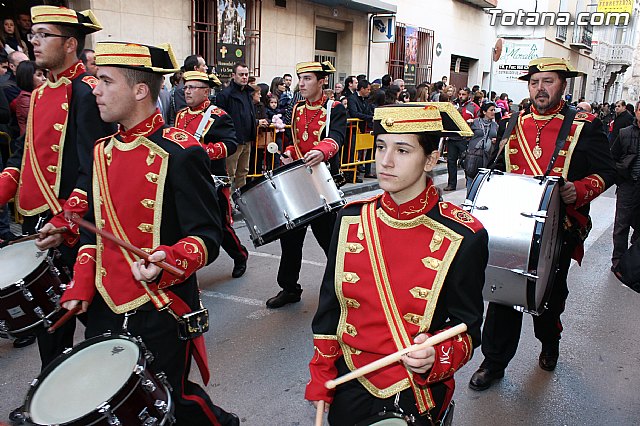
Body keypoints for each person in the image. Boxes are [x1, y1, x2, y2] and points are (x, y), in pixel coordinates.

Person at [60, 41, 239, 426]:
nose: (95, 88)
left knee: (170, 398)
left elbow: (207, 234)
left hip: (161, 305)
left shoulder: (180, 152)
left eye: (106, 81)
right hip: (107, 304)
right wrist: (80, 285)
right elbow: (95, 231)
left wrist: (170, 259)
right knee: (114, 401)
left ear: (140, 91)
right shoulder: (100, 151)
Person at [305, 102, 487, 424]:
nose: (385, 162)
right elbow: (330, 308)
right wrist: (321, 377)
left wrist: (435, 356)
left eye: (402, 151)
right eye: (381, 147)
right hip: (350, 378)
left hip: (416, 388)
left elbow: (467, 328)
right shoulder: (350, 218)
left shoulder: (463, 235)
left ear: (431, 159)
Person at [468, 57, 616, 391]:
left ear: (563, 84)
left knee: (548, 298)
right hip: (514, 227)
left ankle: (549, 342)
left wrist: (576, 190)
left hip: (560, 228)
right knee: (504, 295)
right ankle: (493, 362)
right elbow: (497, 170)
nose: (540, 89)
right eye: (534, 83)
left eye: (547, 81)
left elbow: (609, 172)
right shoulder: (514, 122)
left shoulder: (584, 125)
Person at [0, 6, 115, 423]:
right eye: (34, 34)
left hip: (73, 225)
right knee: (51, 323)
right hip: (38, 221)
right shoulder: (40, 92)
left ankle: (101, 397)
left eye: (43, 34)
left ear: (69, 44)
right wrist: (4, 188)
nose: (33, 40)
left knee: (88, 318)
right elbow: (24, 154)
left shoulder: (85, 91)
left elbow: (92, 166)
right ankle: (51, 396)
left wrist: (68, 216)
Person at [266, 60, 346, 309]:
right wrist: (289, 152)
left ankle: (342, 288)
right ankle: (289, 288)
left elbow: (337, 137)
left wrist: (322, 151)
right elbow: (294, 140)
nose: (302, 83)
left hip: (322, 183)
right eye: (301, 78)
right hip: (298, 180)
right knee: (290, 238)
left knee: (330, 241)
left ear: (322, 82)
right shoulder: (297, 107)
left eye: (308, 78)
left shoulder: (334, 108)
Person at [175, 70, 248, 278]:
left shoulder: (218, 116)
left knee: (221, 226)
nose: (187, 91)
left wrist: (202, 152)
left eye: (192, 87)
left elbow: (231, 144)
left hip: (212, 181)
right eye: (185, 87)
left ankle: (240, 256)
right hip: (187, 180)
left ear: (206, 91)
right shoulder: (181, 115)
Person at [217, 62, 267, 189]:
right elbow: (221, 120)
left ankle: (240, 200)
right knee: (230, 173)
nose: (244, 77)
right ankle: (228, 202)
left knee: (243, 172)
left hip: (247, 140)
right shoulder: (225, 95)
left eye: (246, 74)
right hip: (233, 141)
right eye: (241, 74)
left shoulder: (247, 93)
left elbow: (248, 115)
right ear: (234, 75)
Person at [610, 100, 640, 272]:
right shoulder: (625, 133)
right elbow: (612, 158)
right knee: (621, 225)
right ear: (636, 112)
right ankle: (618, 262)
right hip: (628, 184)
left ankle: (634, 261)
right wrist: (619, 176)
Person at [444, 87, 478, 191]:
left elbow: (478, 120)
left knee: (466, 162)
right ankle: (451, 184)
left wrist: (472, 122)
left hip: (465, 138)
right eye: (460, 94)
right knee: (451, 162)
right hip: (452, 137)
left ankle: (469, 181)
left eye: (463, 94)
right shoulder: (452, 104)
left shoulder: (473, 107)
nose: (461, 96)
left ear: (468, 95)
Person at [464, 101, 498, 192]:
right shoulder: (474, 122)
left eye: (494, 110)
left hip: (487, 157)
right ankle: (469, 200)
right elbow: (466, 135)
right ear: (484, 112)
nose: (493, 112)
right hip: (474, 156)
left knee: (483, 182)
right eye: (491, 110)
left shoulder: (495, 125)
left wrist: (495, 141)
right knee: (471, 179)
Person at [11, 60, 46, 136]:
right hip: (30, 140)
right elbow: (42, 119)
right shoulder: (25, 98)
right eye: (39, 75)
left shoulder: (40, 93)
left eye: (43, 75)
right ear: (28, 78)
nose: (44, 78)